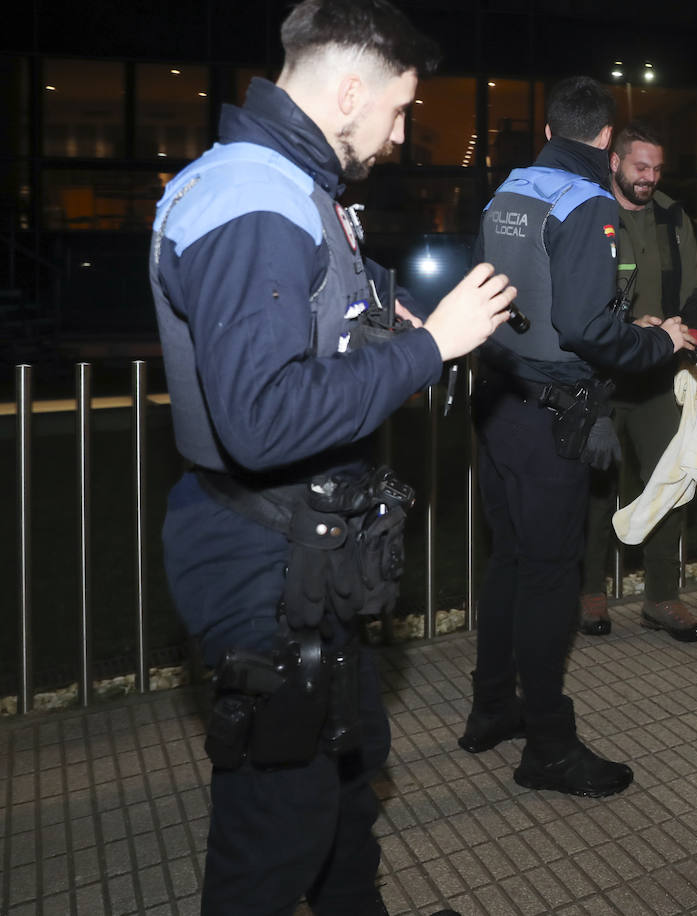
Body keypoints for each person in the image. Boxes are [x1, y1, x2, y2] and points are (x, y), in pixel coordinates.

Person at [149, 1, 516, 912]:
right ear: (348, 90)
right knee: (276, 830)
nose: (399, 137)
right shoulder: (255, 198)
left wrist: (397, 327)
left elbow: (318, 330)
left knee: (346, 780)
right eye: (397, 111)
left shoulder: (286, 186)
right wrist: (431, 351)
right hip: (260, 553)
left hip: (305, 548)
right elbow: (261, 418)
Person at [462, 78, 697, 797]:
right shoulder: (585, 201)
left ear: (551, 125)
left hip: (496, 400)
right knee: (549, 577)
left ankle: (492, 707)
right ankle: (549, 747)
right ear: (604, 140)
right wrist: (661, 342)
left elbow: (491, 291)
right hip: (548, 417)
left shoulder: (509, 190)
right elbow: (588, 330)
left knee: (509, 561)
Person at [579, 119, 697, 642]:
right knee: (595, 489)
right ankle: (590, 592)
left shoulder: (672, 216)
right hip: (600, 377)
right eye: (640, 166)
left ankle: (662, 597)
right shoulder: (589, 211)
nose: (649, 177)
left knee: (673, 483)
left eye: (657, 169)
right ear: (613, 160)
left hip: (659, 378)